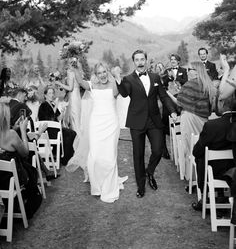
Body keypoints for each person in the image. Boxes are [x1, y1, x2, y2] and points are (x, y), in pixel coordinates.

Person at [113, 50, 177, 198]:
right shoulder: (129, 79)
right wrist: (118, 79)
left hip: (154, 120)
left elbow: (163, 96)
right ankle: (141, 186)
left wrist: (172, 111)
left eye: (142, 59)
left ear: (146, 61)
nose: (140, 62)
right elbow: (124, 93)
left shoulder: (155, 77)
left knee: (158, 149)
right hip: (137, 121)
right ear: (134, 62)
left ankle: (149, 171)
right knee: (138, 154)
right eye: (137, 60)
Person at [73, 62, 128, 203]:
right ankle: (97, 186)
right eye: (99, 73)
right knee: (95, 156)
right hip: (96, 124)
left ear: (107, 72)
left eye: (104, 72)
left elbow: (122, 92)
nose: (102, 75)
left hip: (111, 124)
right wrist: (75, 67)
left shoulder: (114, 85)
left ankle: (109, 187)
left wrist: (118, 77)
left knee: (109, 156)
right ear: (95, 75)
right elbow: (79, 81)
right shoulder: (91, 85)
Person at [168, 61, 216, 181]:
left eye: (190, 69)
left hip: (189, 119)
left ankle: (192, 178)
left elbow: (180, 103)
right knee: (203, 149)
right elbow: (212, 107)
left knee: (189, 149)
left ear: (197, 71)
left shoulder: (190, 85)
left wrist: (167, 93)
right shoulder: (208, 85)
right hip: (204, 121)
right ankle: (204, 178)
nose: (187, 72)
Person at [191, 95, 236, 211]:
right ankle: (221, 196)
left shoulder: (212, 125)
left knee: (200, 157)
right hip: (233, 170)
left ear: (221, 104)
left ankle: (205, 198)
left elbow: (196, 151)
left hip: (214, 172)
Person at [0, 103, 42, 219]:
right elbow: (25, 153)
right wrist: (23, 131)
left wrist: (14, 127)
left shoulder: (10, 132)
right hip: (12, 179)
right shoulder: (11, 135)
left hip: (1, 179)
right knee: (31, 171)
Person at [38, 86, 76, 165]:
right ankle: (65, 159)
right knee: (69, 134)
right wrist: (56, 105)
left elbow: (58, 118)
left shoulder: (52, 104)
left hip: (54, 129)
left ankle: (67, 157)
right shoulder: (43, 105)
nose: (52, 95)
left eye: (53, 93)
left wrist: (62, 111)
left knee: (72, 133)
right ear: (45, 95)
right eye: (50, 93)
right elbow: (50, 119)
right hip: (48, 131)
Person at [162, 54, 188, 159]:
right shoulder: (166, 71)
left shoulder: (184, 70)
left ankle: (181, 150)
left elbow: (186, 82)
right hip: (169, 99)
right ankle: (165, 150)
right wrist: (168, 78)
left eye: (174, 60)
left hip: (181, 99)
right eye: (171, 59)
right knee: (164, 122)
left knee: (180, 122)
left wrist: (176, 78)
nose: (172, 61)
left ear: (178, 61)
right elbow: (163, 84)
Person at [55, 59, 81, 137]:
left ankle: (77, 139)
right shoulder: (77, 71)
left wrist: (59, 83)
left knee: (74, 119)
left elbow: (70, 88)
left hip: (73, 97)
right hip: (77, 96)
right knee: (77, 118)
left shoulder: (70, 72)